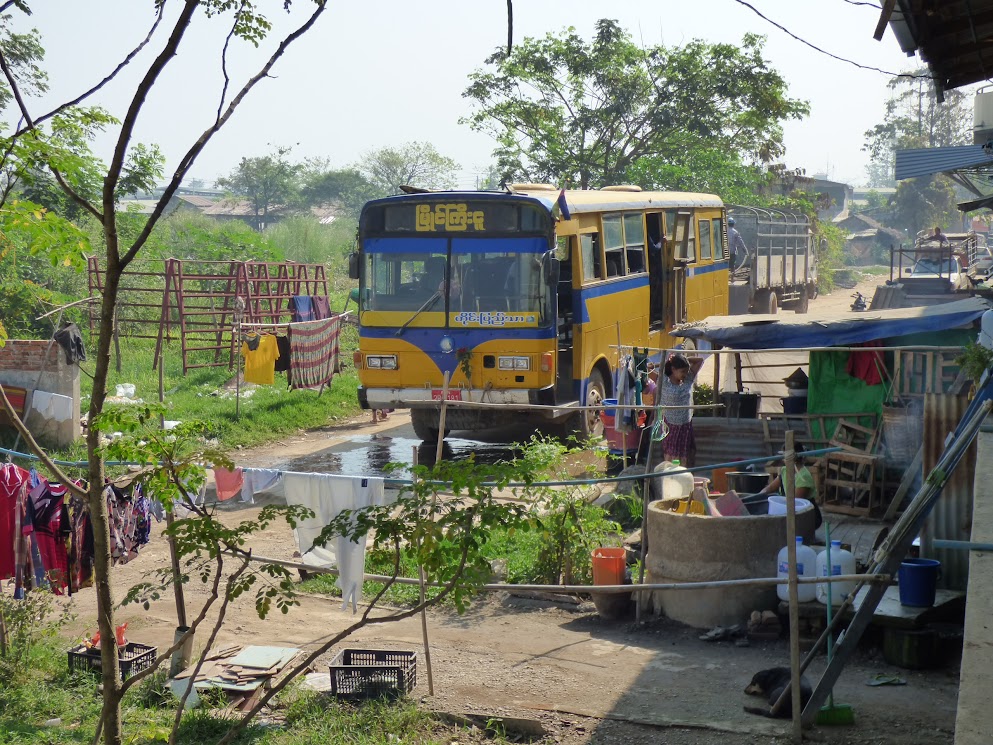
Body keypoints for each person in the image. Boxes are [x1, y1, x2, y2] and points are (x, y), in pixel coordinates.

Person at [757, 441, 823, 529]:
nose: (782, 458)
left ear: (792, 457)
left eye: (784, 455)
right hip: (789, 509)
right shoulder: (785, 470)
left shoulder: (803, 476)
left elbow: (796, 502)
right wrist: (757, 496)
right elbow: (771, 487)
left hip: (806, 515)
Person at [658, 352, 704, 467]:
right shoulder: (664, 382)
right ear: (673, 369)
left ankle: (683, 477)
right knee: (670, 456)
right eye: (682, 371)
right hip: (670, 426)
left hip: (685, 426)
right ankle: (669, 479)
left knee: (685, 457)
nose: (685, 374)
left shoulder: (688, 380)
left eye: (686, 371)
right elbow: (649, 369)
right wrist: (670, 361)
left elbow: (699, 360)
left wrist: (682, 359)